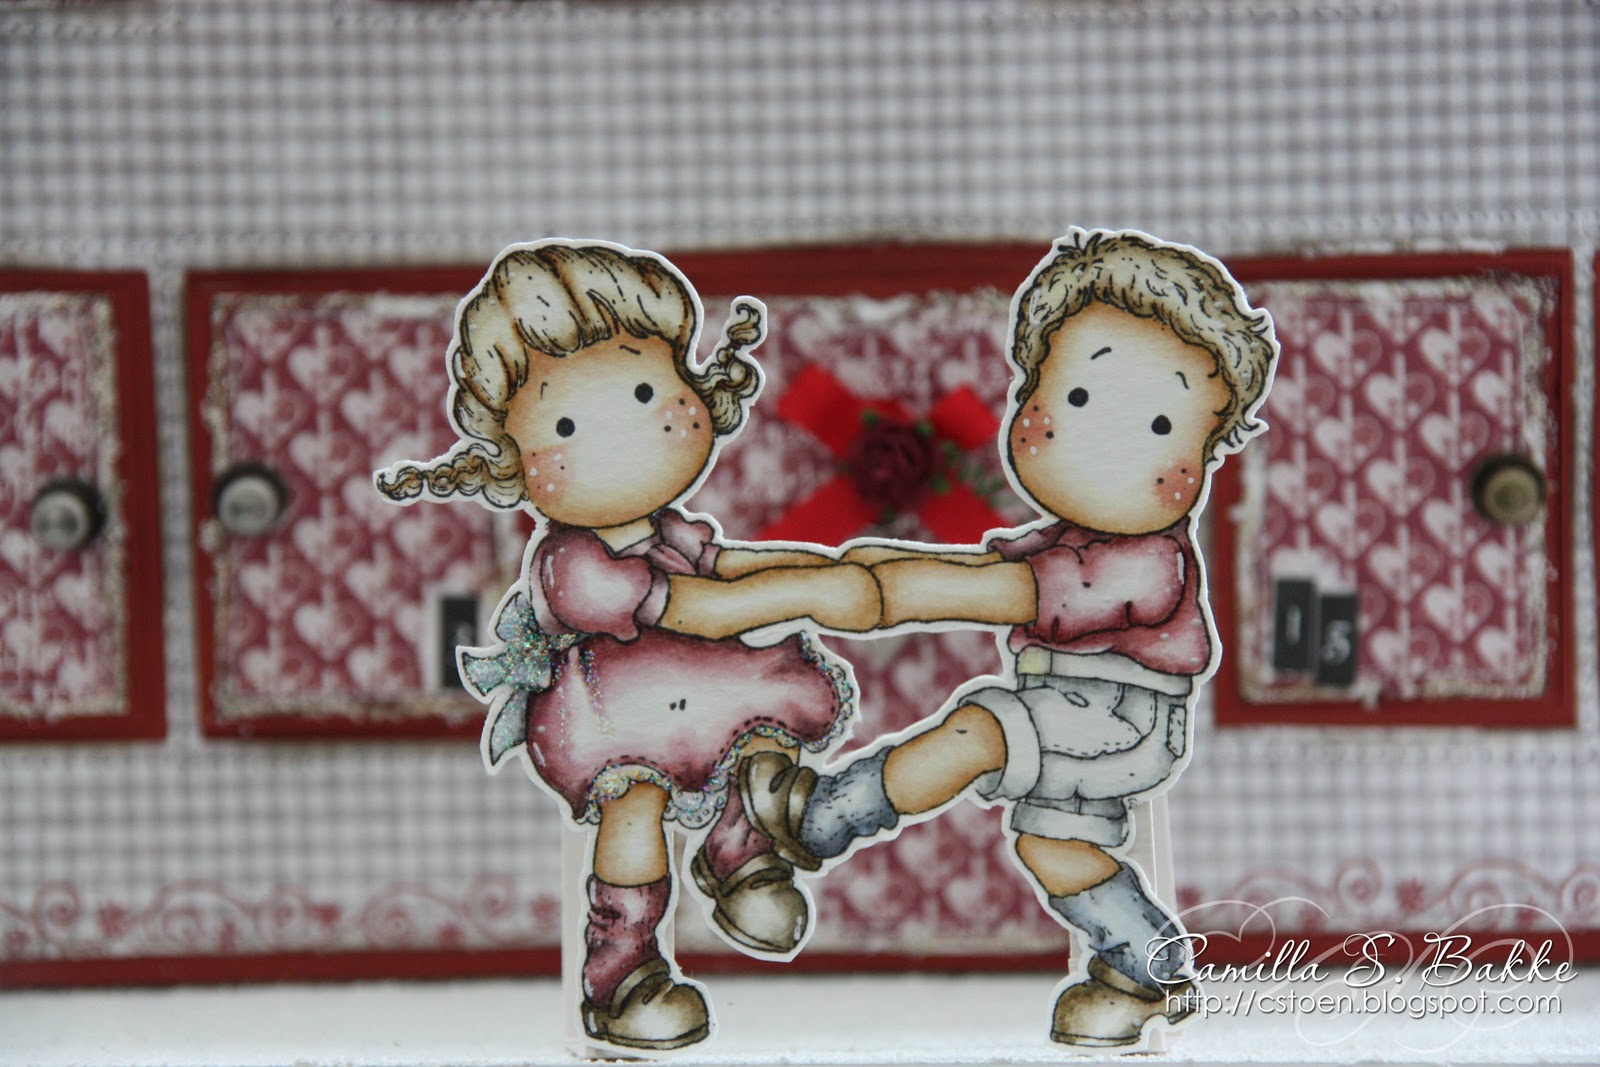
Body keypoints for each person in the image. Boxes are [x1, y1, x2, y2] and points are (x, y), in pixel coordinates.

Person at [742, 229, 1278, 1049]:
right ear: (1029, 394)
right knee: (1052, 847)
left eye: (1158, 423)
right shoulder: (1062, 536)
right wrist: (869, 573)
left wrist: (884, 591)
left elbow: (999, 590)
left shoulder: (1148, 564)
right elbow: (1002, 569)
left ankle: (820, 817)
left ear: (1202, 457)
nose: (1101, 446)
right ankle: (1146, 964)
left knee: (978, 729)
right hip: (1071, 708)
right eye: (1077, 397)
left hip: (1126, 718)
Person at [376, 240, 878, 1051]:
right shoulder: (573, 564)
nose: (630, 433)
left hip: (702, 683)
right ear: (514, 459)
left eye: (648, 391)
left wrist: (815, 570)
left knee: (759, 723)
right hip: (612, 713)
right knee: (635, 809)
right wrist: (811, 593)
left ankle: (741, 853)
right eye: (567, 424)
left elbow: (723, 565)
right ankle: (625, 973)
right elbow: (699, 605)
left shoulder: (671, 527)